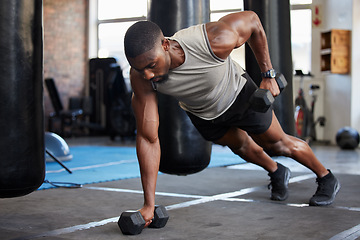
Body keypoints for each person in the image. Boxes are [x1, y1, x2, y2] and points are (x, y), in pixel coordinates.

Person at [123, 11, 340, 227]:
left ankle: (326, 177)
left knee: (277, 143)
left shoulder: (212, 40)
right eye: (139, 69)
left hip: (239, 96)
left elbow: (253, 21)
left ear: (166, 45)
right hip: (203, 113)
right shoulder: (141, 78)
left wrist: (268, 75)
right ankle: (276, 170)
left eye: (151, 65)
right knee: (241, 147)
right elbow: (148, 138)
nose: (148, 75)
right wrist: (149, 204)